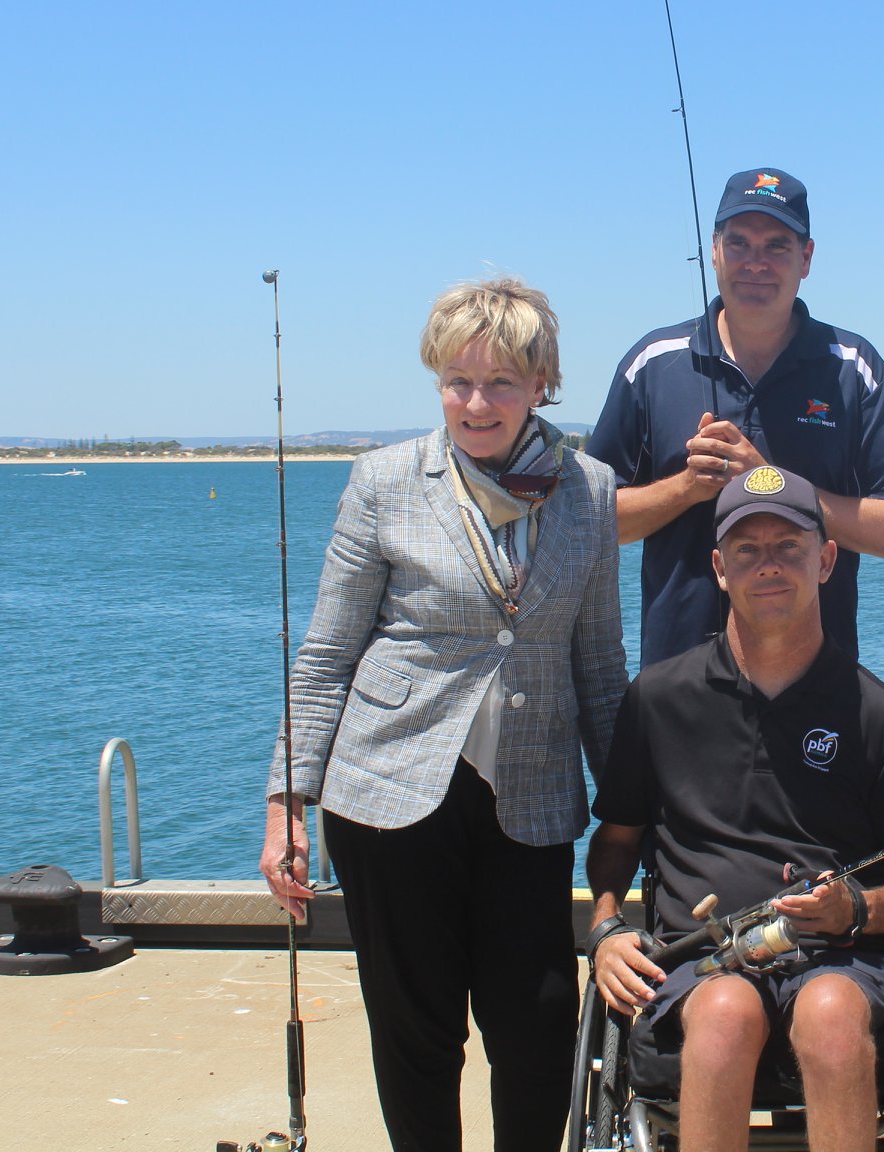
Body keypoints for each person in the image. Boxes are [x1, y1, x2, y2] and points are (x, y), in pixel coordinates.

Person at [259, 276, 627, 1152]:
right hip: (387, 793)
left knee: (538, 1024)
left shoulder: (593, 492)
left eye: (500, 382)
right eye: (458, 381)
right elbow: (326, 656)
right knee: (417, 1032)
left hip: (531, 800)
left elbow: (601, 667)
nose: (476, 403)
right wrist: (286, 804)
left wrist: (633, 806)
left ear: (541, 385)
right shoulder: (384, 481)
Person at [586, 465, 884, 1152]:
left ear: (827, 560)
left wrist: (857, 907)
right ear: (720, 568)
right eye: (747, 550)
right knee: (724, 1011)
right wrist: (605, 930)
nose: (769, 565)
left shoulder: (882, 715)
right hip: (702, 960)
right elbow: (616, 840)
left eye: (789, 546)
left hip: (845, 961)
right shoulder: (657, 698)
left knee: (831, 1011)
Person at [585, 166, 884, 666]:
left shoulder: (855, 368)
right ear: (714, 250)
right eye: (739, 243)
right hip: (678, 676)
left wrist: (770, 482)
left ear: (806, 258)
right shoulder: (652, 363)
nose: (755, 263)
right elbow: (591, 521)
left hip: (817, 678)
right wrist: (686, 487)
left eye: (777, 246)